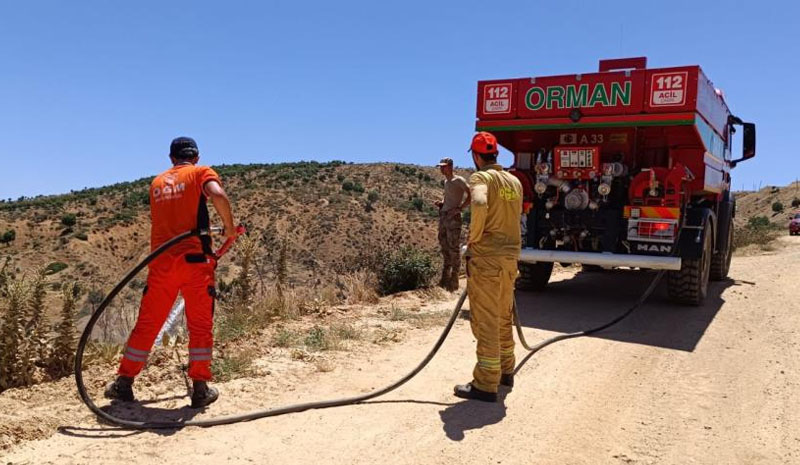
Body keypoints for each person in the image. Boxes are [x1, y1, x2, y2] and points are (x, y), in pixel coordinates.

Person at [104, 137, 237, 409]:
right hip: (194, 262)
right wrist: (229, 227)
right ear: (196, 156)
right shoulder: (201, 173)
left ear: (171, 158)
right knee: (199, 325)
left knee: (148, 323)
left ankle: (124, 383)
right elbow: (218, 194)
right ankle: (200, 389)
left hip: (162, 263)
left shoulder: (157, 183)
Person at [454, 132, 522, 403]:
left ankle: (485, 383)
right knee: (504, 316)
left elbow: (480, 203)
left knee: (486, 320)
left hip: (488, 259)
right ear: (496, 154)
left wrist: (473, 238)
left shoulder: (481, 178)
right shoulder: (514, 181)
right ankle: (506, 370)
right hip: (509, 260)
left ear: (475, 155)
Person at [434, 157, 470, 291]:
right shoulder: (446, 182)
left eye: (444, 166)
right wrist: (442, 202)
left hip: (453, 218)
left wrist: (460, 208)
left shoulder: (459, 180)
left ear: (450, 166)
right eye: (440, 166)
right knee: (444, 245)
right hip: (444, 216)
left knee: (453, 247)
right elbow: (449, 196)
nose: (441, 169)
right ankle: (445, 278)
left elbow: (470, 194)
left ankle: (454, 281)